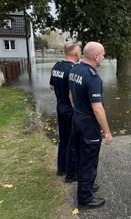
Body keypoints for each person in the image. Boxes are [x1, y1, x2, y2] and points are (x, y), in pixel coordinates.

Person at [69, 41, 113, 208]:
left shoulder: (75, 69)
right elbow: (97, 107)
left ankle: (85, 186)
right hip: (88, 123)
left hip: (77, 118)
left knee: (81, 155)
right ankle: (85, 198)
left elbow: (70, 94)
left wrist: (78, 110)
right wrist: (107, 131)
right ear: (96, 56)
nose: (103, 57)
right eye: (102, 55)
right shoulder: (92, 77)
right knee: (89, 160)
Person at [49, 42, 81, 177]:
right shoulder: (73, 69)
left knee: (63, 138)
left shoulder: (56, 66)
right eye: (79, 51)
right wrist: (78, 111)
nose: (80, 53)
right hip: (70, 108)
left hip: (60, 106)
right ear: (74, 53)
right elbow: (71, 93)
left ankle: (61, 168)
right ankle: (72, 173)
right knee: (73, 140)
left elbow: (51, 87)